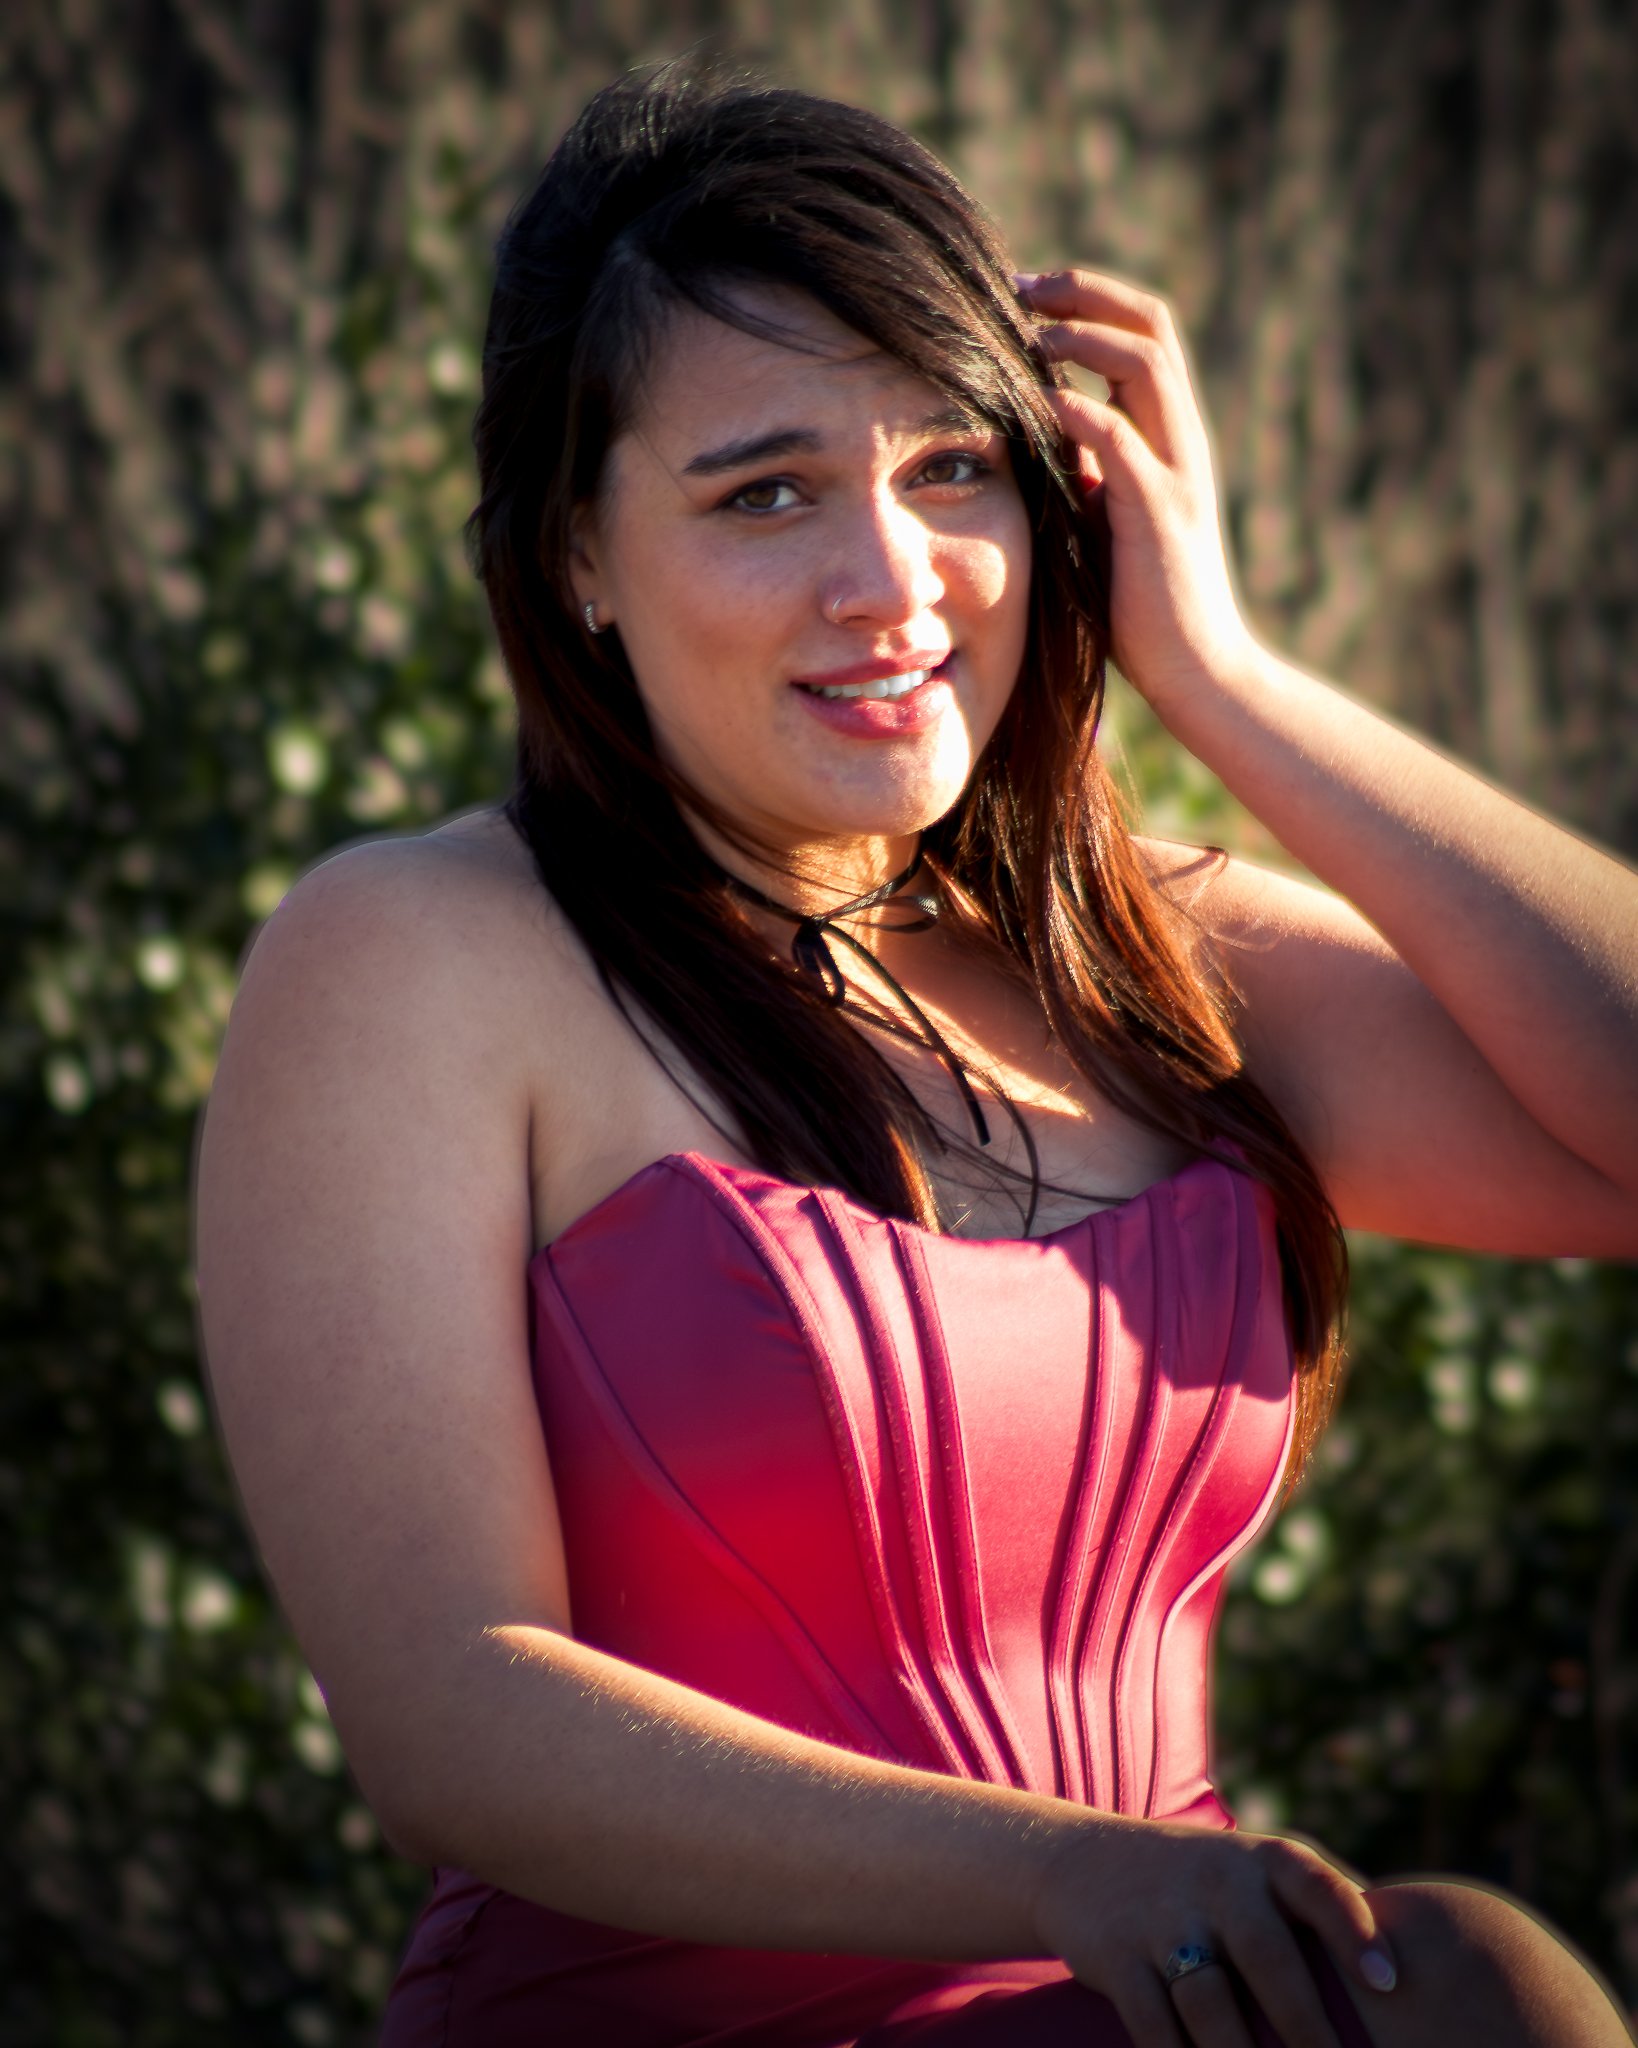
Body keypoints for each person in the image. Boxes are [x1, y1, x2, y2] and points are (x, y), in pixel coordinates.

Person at [191, 60, 1638, 2048]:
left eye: (953, 465)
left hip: (1167, 2010)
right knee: (1462, 1988)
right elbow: (450, 1713)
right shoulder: (423, 958)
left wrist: (1225, 673)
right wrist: (1068, 1867)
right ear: (579, 561)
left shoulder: (1142, 951)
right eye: (764, 492)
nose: (892, 580)